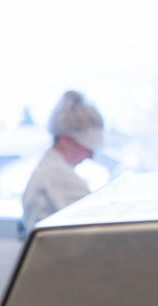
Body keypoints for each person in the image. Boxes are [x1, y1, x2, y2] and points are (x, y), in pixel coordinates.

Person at [21, 90, 104, 233]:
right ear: (65, 140)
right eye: (87, 148)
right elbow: (94, 224)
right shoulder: (55, 173)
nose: (90, 156)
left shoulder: (50, 168)